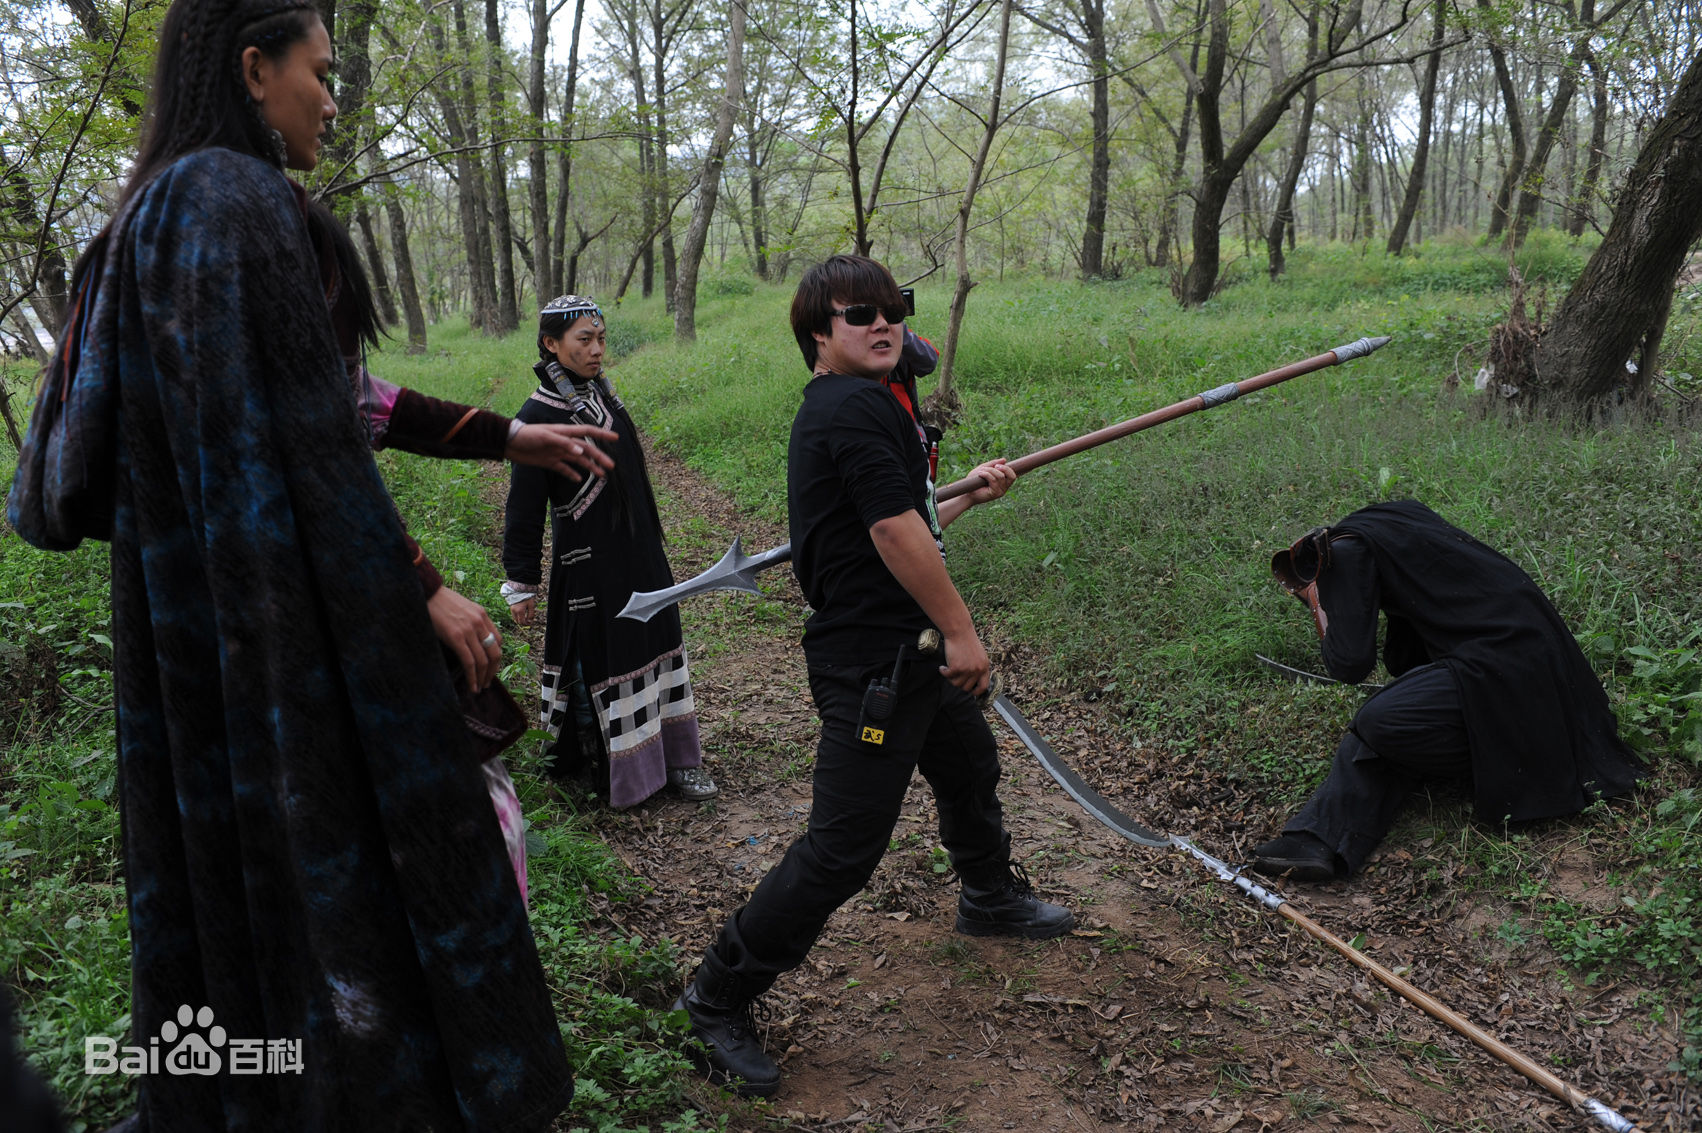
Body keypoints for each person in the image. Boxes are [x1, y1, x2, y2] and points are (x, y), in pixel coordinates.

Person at [6, 0, 605, 1125]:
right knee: (365, 895)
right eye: (320, 73)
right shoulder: (241, 202)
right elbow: (315, 443)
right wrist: (426, 586)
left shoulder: (135, 226)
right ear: (252, 67)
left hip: (196, 655)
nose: (333, 98)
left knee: (236, 897)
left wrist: (508, 434)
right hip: (292, 642)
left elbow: (66, 478)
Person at [672, 255, 1074, 1098]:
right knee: (843, 849)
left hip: (908, 644)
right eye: (860, 315)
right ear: (819, 335)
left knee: (967, 763)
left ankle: (989, 895)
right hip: (875, 661)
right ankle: (715, 994)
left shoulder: (867, 404)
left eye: (893, 310)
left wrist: (971, 497)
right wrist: (963, 632)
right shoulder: (851, 408)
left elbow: (908, 520)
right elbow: (894, 534)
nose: (883, 324)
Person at [1251, 500, 1644, 883]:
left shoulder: (1344, 557)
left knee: (1380, 720)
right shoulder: (1387, 522)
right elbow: (1413, 635)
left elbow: (1349, 663)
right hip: (1530, 658)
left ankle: (1322, 834)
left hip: (1504, 669)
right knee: (1396, 716)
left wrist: (1320, 602)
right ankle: (1316, 841)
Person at [501, 295, 717, 807]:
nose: (598, 349)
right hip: (591, 572)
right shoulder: (537, 415)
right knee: (603, 659)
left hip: (642, 557)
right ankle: (618, 770)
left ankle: (677, 759)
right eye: (585, 340)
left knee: (659, 646)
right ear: (552, 345)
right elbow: (524, 508)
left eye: (601, 339)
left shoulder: (604, 398)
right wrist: (521, 582)